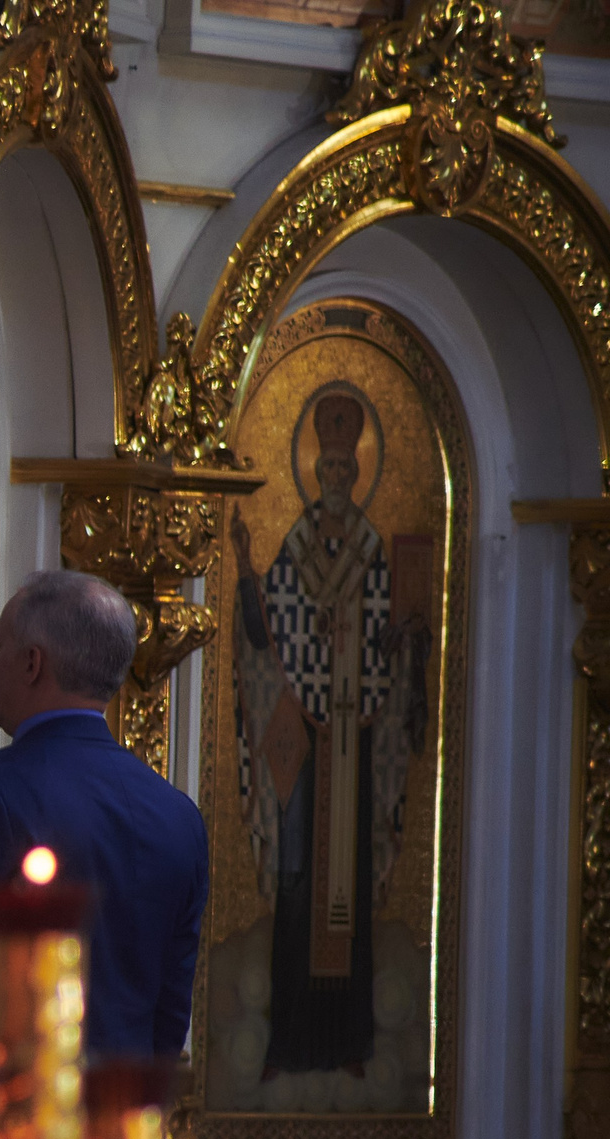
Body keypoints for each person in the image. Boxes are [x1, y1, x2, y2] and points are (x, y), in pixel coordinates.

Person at [0, 569, 210, 1062]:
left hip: (11, 1119)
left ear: (32, 663)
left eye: (0, 646)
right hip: (121, 1121)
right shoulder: (179, 815)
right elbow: (169, 1017)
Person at [230, 392, 428, 1078]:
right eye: (330, 466)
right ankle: (289, 1039)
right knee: (297, 876)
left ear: (357, 471)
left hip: (359, 728)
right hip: (309, 739)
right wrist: (248, 576)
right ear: (317, 470)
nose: (340, 478)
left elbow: (394, 629)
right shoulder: (299, 542)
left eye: (349, 466)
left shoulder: (374, 548)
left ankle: (349, 1041)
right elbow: (266, 625)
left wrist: (400, 638)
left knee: (350, 887)